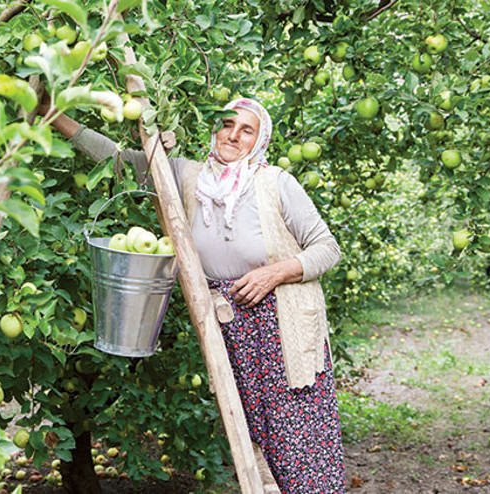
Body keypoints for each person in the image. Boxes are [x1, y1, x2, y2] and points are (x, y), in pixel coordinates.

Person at [40, 96, 346, 493]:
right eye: (226, 125)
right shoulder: (184, 177)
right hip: (230, 327)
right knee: (250, 439)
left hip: (283, 327)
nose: (233, 135)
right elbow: (115, 160)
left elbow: (327, 248)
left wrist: (275, 273)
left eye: (246, 130)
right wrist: (53, 115)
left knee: (300, 439)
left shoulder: (275, 183)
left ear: (260, 140)